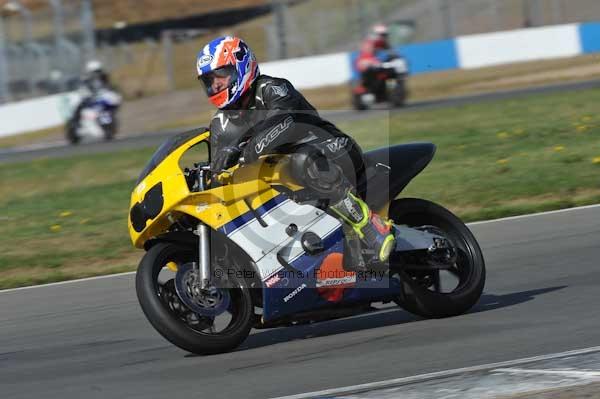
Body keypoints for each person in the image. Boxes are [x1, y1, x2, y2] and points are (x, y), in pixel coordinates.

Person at [196, 36, 395, 268]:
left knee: (302, 161)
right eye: (209, 80)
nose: (216, 84)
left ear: (241, 66)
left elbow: (285, 120)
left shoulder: (271, 88)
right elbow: (223, 170)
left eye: (221, 74)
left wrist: (243, 149)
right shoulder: (220, 124)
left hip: (330, 150)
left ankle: (370, 226)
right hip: (287, 178)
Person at [68, 60, 115, 130]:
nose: (97, 73)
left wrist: (111, 90)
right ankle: (75, 122)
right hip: (91, 97)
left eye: (98, 71)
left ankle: (110, 121)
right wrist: (86, 94)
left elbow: (109, 86)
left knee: (111, 103)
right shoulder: (86, 79)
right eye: (95, 71)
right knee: (80, 105)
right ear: (90, 71)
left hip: (102, 96)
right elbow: (82, 88)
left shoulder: (104, 77)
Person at [354, 24, 392, 96]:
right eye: (382, 35)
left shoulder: (382, 43)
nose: (384, 37)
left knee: (389, 73)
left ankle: (390, 89)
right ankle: (363, 87)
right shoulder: (369, 42)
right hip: (365, 62)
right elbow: (366, 56)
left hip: (377, 63)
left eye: (385, 35)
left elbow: (391, 51)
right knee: (368, 72)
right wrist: (374, 62)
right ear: (377, 34)